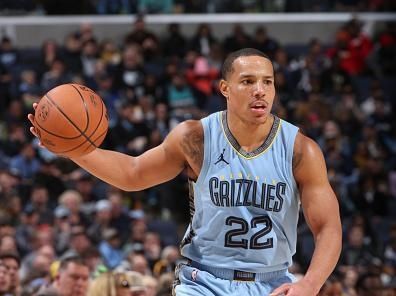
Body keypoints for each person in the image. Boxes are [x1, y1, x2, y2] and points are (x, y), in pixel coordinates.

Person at [28, 48, 342, 295]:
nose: (259, 90)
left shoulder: (300, 149)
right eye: (247, 81)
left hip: (272, 282)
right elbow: (133, 173)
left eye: (267, 82)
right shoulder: (196, 138)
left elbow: (328, 226)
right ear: (225, 88)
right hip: (204, 280)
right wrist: (72, 149)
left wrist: (310, 284)